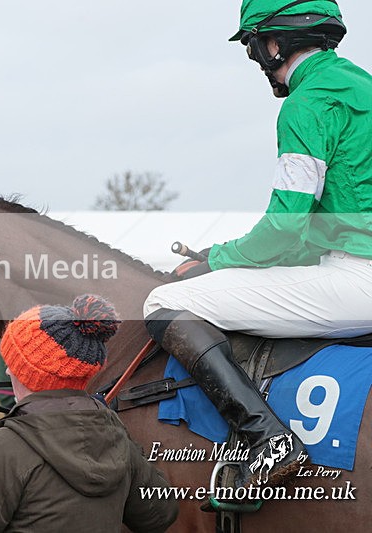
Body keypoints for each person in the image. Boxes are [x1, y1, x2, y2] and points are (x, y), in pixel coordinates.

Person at [143, 0, 372, 489]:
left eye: (252, 49)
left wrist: (217, 259)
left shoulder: (305, 105)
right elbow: (312, 231)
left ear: (274, 44)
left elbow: (285, 228)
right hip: (350, 266)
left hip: (359, 279)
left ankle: (268, 438)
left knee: (162, 301)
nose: (256, 62)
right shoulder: (363, 87)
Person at [0, 295, 178, 533]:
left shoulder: (8, 447)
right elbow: (160, 514)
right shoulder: (117, 436)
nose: (7, 371)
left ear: (29, 374)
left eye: (13, 363)